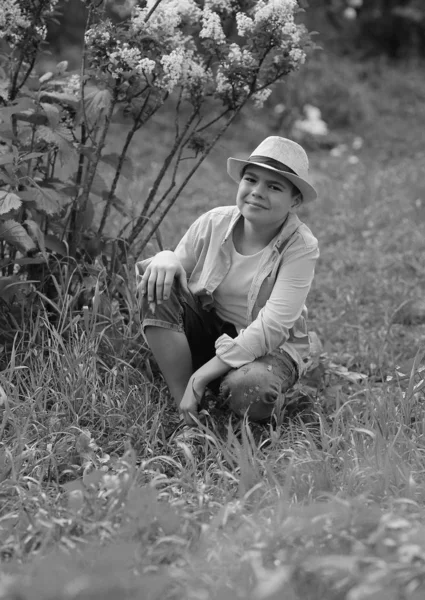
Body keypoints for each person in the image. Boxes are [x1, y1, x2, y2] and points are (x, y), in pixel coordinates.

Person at [136, 136, 319, 426]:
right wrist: (166, 256)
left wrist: (202, 375)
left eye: (273, 186)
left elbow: (272, 327)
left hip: (270, 348)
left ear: (294, 200)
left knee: (250, 390)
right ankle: (185, 404)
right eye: (251, 179)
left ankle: (224, 384)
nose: (257, 192)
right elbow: (174, 273)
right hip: (212, 330)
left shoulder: (301, 247)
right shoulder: (214, 222)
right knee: (157, 283)